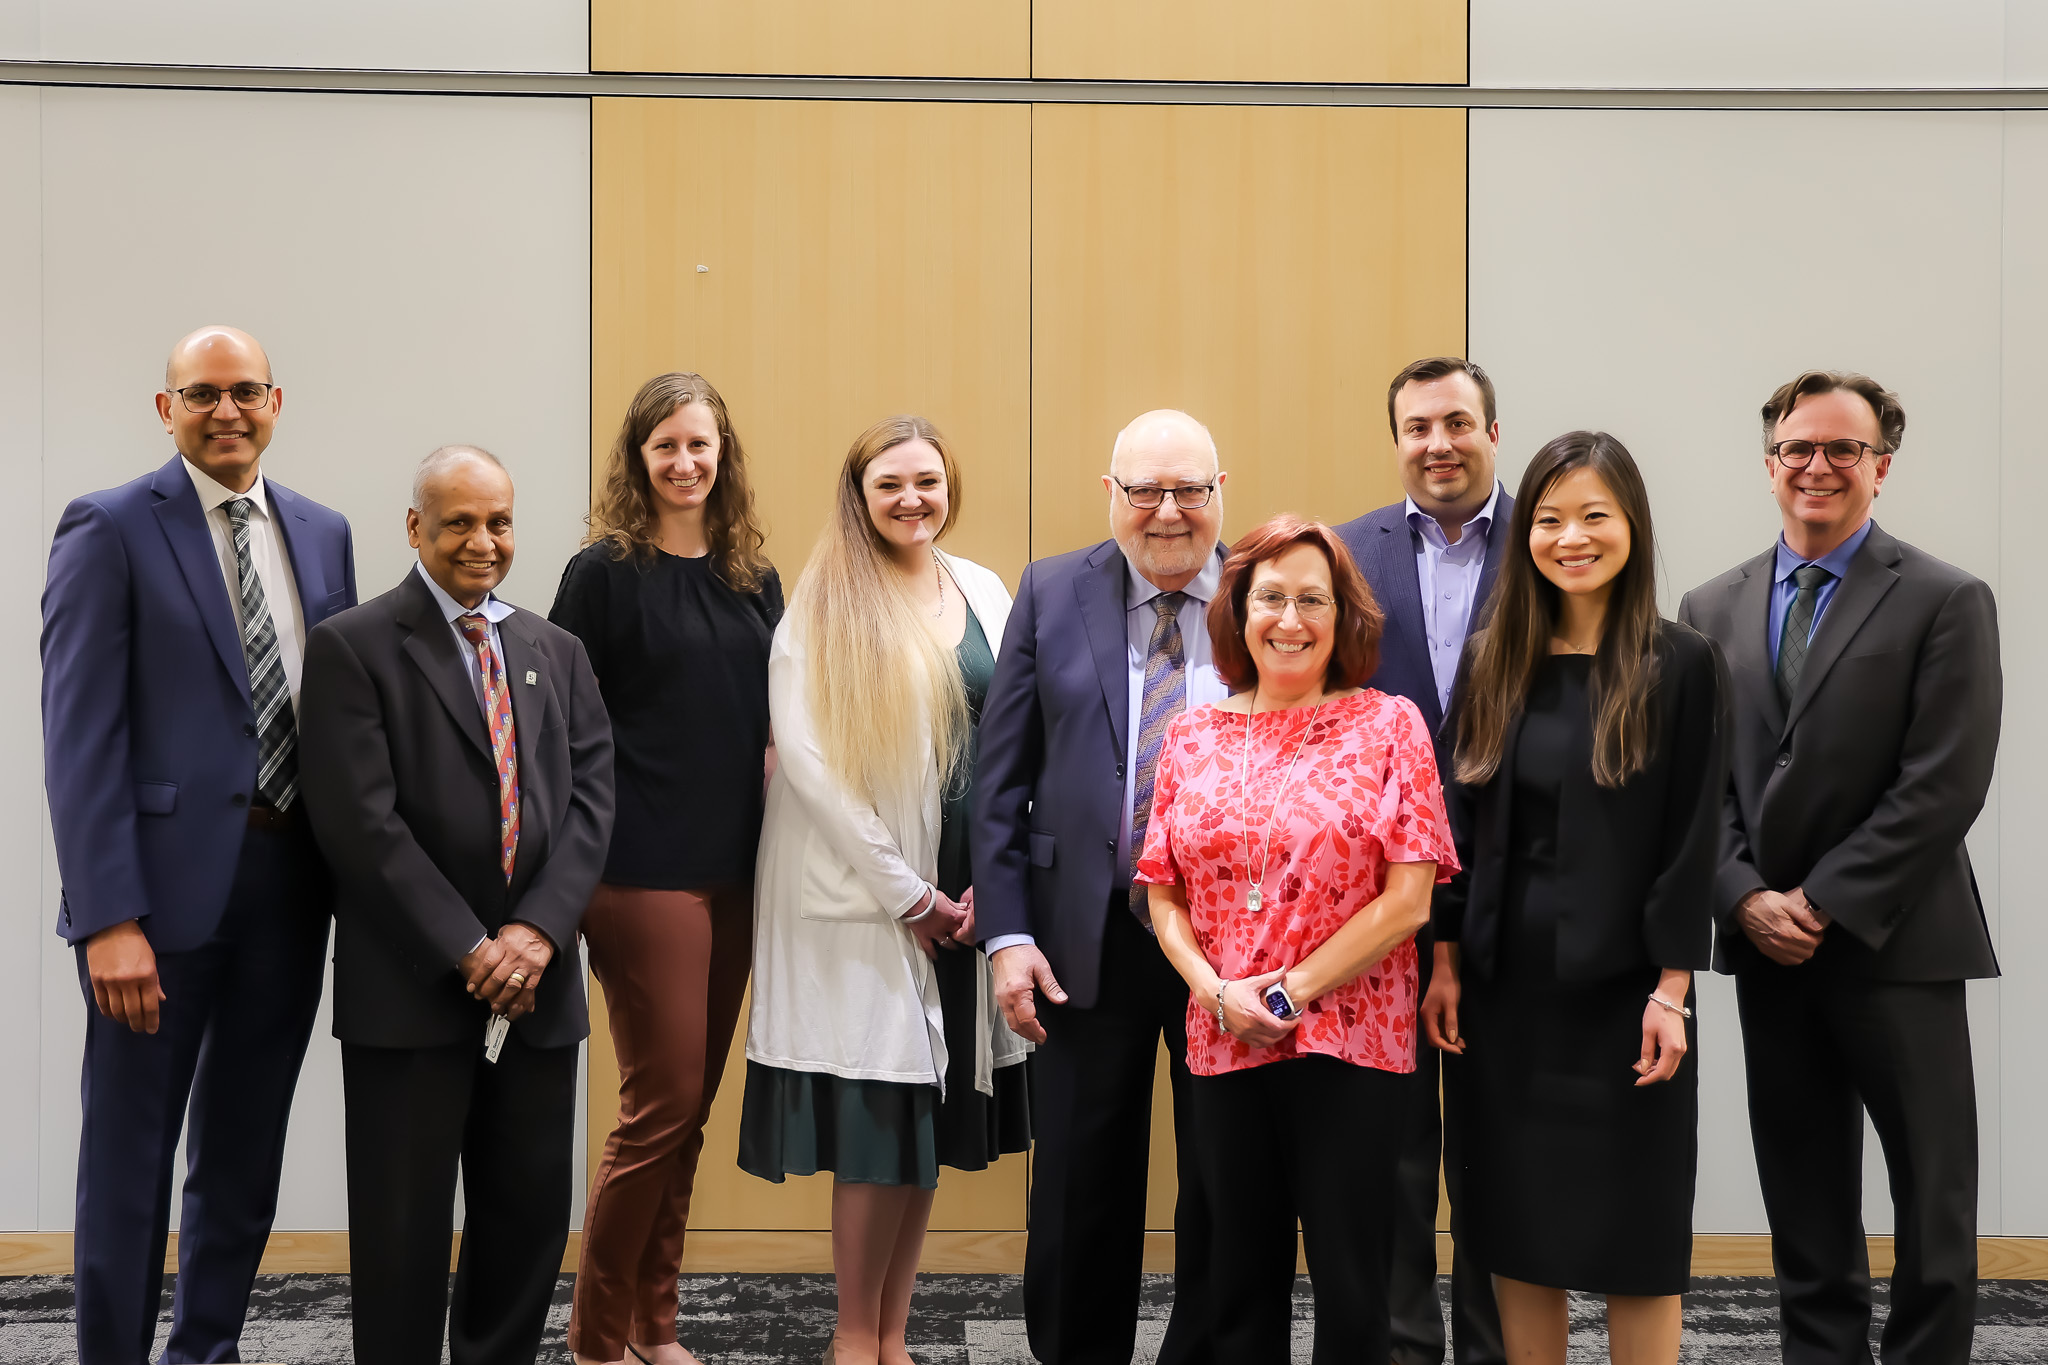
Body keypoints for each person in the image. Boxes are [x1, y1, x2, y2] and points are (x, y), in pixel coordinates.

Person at [43, 326, 356, 1365]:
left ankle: (206, 1350)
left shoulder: (323, 532)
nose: (227, 411)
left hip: (288, 884)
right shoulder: (111, 526)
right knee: (130, 1159)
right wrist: (108, 918)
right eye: (202, 393)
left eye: (245, 392)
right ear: (165, 406)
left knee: (242, 1152)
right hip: (155, 905)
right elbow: (79, 740)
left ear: (277, 401)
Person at [1678, 372, 1999, 1365]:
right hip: (1768, 954)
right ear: (1768, 463)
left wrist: (1817, 901)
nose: (1815, 466)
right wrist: (1740, 897)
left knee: (1930, 1203)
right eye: (1795, 449)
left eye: (1841, 450)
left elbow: (1942, 784)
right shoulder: (1707, 605)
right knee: (1803, 1203)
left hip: (1894, 943)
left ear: (1880, 467)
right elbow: (1694, 787)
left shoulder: (1944, 599)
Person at [298, 446, 615, 1365]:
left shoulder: (556, 650)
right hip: (412, 987)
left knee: (525, 1217)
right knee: (401, 1228)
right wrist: (473, 946)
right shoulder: (352, 645)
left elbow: (594, 803)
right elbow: (361, 824)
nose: (484, 542)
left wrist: (537, 932)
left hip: (537, 986)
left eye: (500, 522)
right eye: (460, 523)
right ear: (415, 529)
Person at [1422, 431, 1724, 1365]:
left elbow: (1692, 839)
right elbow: (1455, 827)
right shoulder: (1493, 658)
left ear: (1631, 523)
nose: (1571, 537)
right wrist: (1443, 961)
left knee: (1639, 1241)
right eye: (1550, 518)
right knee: (1516, 1231)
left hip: (1630, 994)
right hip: (1504, 990)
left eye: (1595, 515)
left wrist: (1672, 991)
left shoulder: (1683, 662)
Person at [738, 415, 1030, 1365]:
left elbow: (1015, 733)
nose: (913, 500)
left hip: (965, 890)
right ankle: (852, 1340)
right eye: (891, 484)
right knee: (878, 1123)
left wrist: (991, 877)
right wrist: (911, 894)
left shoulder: (980, 585)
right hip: (868, 899)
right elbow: (815, 774)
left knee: (926, 1124)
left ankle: (895, 1337)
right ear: (857, 495)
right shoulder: (821, 606)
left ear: (952, 486)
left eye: (929, 482)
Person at [1137, 514, 1458, 1363]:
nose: (1289, 618)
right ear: (1237, 611)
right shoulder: (1191, 736)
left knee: (1358, 1288)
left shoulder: (1389, 725)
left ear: (1344, 614)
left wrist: (1288, 990)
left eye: (1312, 598)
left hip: (1351, 1042)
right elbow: (1161, 894)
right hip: (1223, 1038)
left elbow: (1410, 899)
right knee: (1237, 1281)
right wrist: (1216, 992)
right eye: (1269, 596)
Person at [972, 409, 1225, 1365]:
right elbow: (1000, 783)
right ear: (1110, 494)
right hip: (1086, 935)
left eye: (1188, 489)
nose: (1167, 511)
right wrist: (1006, 937)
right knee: (1082, 1179)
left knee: (1222, 1177)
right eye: (1145, 490)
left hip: (1227, 945)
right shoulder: (1049, 591)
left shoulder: (1268, 591)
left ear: (1219, 492)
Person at [552, 373, 782, 1365]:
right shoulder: (601, 574)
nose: (685, 463)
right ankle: (599, 1338)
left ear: (722, 453)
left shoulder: (752, 578)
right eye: (665, 448)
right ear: (636, 459)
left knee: (685, 1114)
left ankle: (658, 1324)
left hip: (736, 870)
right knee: (659, 1106)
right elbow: (556, 723)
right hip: (636, 870)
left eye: (700, 445)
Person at [1333, 356, 1510, 1365]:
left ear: (1491, 428)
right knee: (1390, 1155)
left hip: (1512, 897)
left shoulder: (1550, 542)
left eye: (1456, 423)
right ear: (1395, 437)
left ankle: (1489, 1349)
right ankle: (1403, 1347)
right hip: (1379, 905)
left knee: (1492, 1156)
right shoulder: (1346, 552)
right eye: (1415, 427)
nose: (1436, 443)